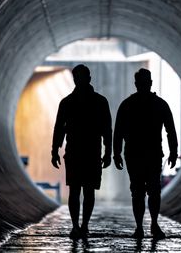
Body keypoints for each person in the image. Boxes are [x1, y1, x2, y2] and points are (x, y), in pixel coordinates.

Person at [113, 68, 178, 239]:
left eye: (144, 82)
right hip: (151, 154)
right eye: (143, 82)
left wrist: (117, 153)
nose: (144, 85)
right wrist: (173, 152)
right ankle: (150, 225)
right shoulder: (159, 104)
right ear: (148, 83)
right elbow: (170, 130)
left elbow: (118, 131)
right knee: (150, 190)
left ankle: (142, 226)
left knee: (139, 191)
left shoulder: (127, 105)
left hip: (137, 154)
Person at [51, 64, 112, 238]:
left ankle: (78, 226)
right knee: (86, 190)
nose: (80, 81)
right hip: (89, 152)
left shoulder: (67, 102)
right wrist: (108, 152)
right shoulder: (100, 101)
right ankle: (81, 225)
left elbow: (59, 129)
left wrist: (55, 150)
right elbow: (106, 129)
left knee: (77, 190)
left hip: (76, 152)